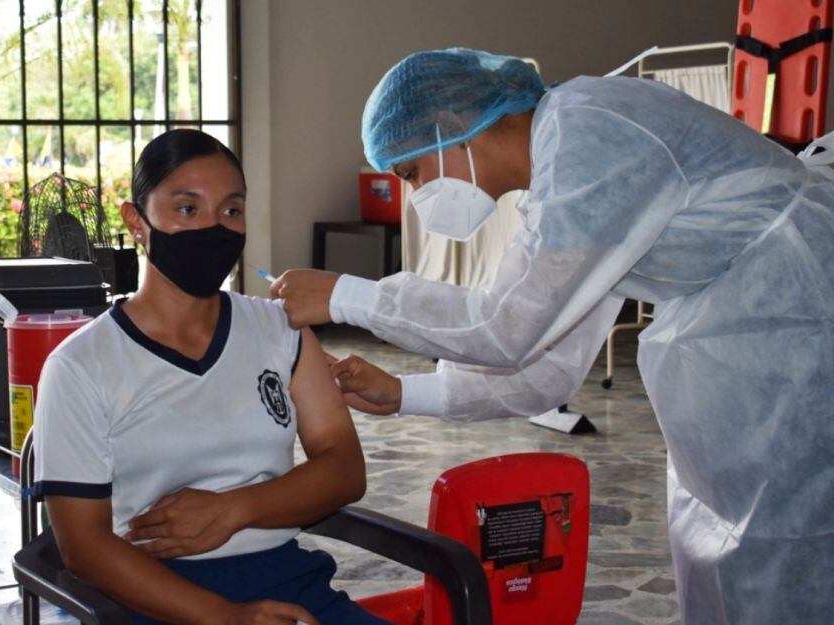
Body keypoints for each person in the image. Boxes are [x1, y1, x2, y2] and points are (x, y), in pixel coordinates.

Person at [271, 49, 834, 625]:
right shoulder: (562, 184)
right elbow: (549, 368)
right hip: (743, 331)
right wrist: (408, 394)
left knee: (790, 543)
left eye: (411, 172)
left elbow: (503, 327)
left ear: (453, 125)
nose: (416, 196)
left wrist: (346, 296)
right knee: (730, 540)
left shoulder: (591, 131)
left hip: (800, 318)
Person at [33, 129, 388, 625]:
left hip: (289, 582)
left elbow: (345, 468)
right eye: (187, 209)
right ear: (136, 221)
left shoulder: (280, 330)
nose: (213, 228)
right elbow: (84, 547)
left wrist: (235, 509)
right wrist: (225, 617)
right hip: (151, 595)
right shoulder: (80, 366)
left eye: (231, 211)